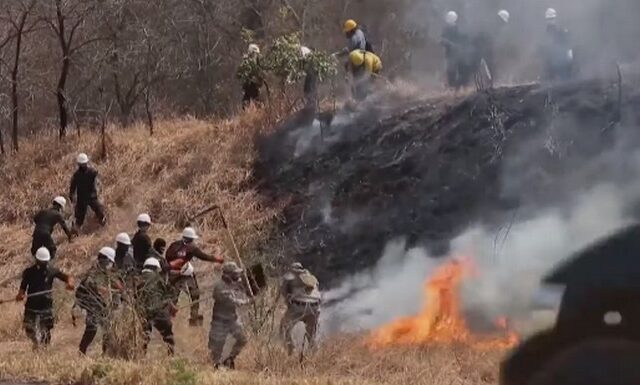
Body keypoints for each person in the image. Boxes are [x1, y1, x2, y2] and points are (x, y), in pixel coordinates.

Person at [17, 247, 74, 349]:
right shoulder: (29, 272)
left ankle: (45, 348)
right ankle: (35, 343)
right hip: (32, 304)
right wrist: (20, 295)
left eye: (45, 262)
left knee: (46, 329)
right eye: (41, 262)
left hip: (45, 303)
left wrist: (69, 283)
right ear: (37, 260)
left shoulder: (51, 270)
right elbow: (22, 288)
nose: (44, 264)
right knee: (29, 328)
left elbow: (67, 277)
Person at [165, 227, 224, 326]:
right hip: (185, 274)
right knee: (195, 295)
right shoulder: (192, 248)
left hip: (172, 274)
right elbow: (204, 256)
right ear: (190, 239)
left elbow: (167, 257)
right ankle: (194, 319)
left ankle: (168, 320)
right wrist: (217, 259)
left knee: (173, 297)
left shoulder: (173, 245)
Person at [77, 247, 121, 355]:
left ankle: (105, 354)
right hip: (92, 304)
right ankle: (81, 352)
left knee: (108, 329)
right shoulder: (93, 272)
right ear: (105, 260)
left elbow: (114, 285)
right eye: (110, 262)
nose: (110, 265)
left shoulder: (105, 273)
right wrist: (102, 289)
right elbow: (89, 284)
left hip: (101, 305)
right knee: (92, 329)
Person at [208, 262, 251, 369]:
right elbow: (231, 300)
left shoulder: (234, 282)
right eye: (235, 273)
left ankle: (230, 359)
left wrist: (246, 277)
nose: (237, 275)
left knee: (242, 339)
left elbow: (244, 285)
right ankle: (216, 367)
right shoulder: (219, 286)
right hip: (220, 321)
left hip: (232, 319)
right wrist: (243, 301)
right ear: (228, 274)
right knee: (217, 346)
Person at [136, 257, 176, 356]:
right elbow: (169, 293)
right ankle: (171, 355)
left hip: (144, 313)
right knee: (168, 334)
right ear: (155, 268)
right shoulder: (158, 278)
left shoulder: (138, 279)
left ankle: (141, 356)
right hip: (159, 311)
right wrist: (171, 306)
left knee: (144, 337)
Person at [279, 262, 321, 355]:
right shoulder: (310, 277)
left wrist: (288, 303)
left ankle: (291, 349)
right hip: (315, 307)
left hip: (298, 306)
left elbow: (283, 291)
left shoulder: (289, 276)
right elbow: (316, 289)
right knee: (312, 335)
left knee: (284, 328)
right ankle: (314, 357)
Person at [69, 153, 106, 230]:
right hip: (91, 197)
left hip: (82, 198)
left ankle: (75, 231)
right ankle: (103, 226)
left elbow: (72, 187)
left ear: (78, 163)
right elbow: (99, 177)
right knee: (99, 212)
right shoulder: (92, 172)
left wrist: (71, 196)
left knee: (79, 218)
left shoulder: (76, 175)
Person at [441, 11, 473, 89]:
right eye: (449, 18)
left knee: (462, 70)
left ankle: (462, 86)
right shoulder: (446, 29)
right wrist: (450, 44)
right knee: (451, 71)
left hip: (459, 53)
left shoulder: (457, 28)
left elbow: (463, 38)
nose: (449, 19)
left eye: (451, 18)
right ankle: (452, 87)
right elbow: (442, 39)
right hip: (450, 54)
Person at [541, 8, 574, 81]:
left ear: (555, 19)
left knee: (565, 78)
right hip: (551, 59)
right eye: (549, 19)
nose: (550, 21)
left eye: (552, 19)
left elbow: (567, 41)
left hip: (562, 58)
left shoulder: (560, 30)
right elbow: (545, 45)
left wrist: (569, 52)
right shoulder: (546, 32)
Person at [236, 44, 264, 109]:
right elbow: (241, 72)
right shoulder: (246, 61)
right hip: (249, 84)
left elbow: (260, 72)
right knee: (247, 101)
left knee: (255, 100)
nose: (255, 55)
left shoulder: (257, 61)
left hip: (254, 84)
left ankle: (260, 113)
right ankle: (247, 113)